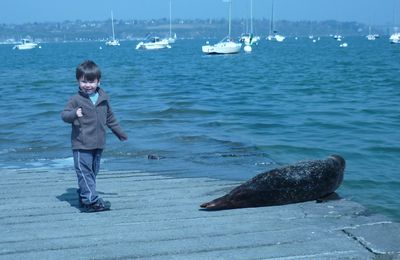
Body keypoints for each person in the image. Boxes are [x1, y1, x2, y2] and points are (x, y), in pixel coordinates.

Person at [61, 60, 128, 212]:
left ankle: (84, 193)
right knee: (84, 172)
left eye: (91, 82)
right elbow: (64, 115)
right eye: (84, 81)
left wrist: (119, 133)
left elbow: (110, 118)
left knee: (92, 172)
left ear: (98, 81)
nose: (87, 85)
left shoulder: (103, 98)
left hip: (98, 143)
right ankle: (91, 201)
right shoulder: (75, 100)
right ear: (78, 81)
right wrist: (73, 114)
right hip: (81, 144)